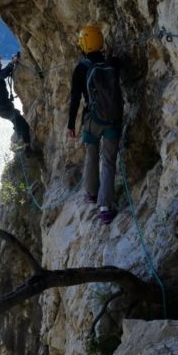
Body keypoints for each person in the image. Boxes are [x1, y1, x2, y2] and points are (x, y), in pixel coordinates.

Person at [67, 24, 123, 225]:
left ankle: (91, 193)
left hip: (91, 120)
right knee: (108, 161)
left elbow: (75, 99)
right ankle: (106, 207)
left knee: (91, 156)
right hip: (112, 120)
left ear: (83, 43)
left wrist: (71, 124)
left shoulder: (80, 69)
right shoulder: (112, 64)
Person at [0, 51, 37, 154]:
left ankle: (21, 141)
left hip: (1, 108)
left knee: (18, 122)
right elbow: (4, 74)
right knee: (24, 125)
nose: (1, 64)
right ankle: (27, 150)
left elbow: (2, 73)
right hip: (3, 109)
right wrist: (13, 62)